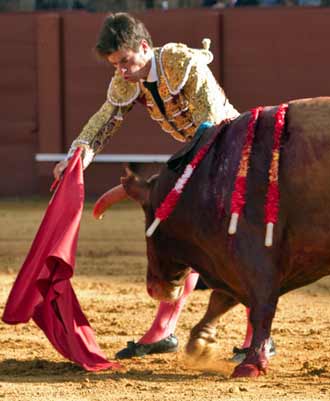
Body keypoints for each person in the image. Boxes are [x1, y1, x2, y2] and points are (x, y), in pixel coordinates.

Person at [52, 12, 275, 362]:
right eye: (115, 65)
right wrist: (75, 159)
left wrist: (168, 182)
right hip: (197, 160)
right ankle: (163, 331)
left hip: (233, 155)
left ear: (144, 47)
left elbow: (212, 125)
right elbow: (103, 122)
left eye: (125, 61)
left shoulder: (180, 63)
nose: (122, 71)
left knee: (237, 245)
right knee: (183, 241)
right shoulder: (126, 80)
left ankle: (257, 337)